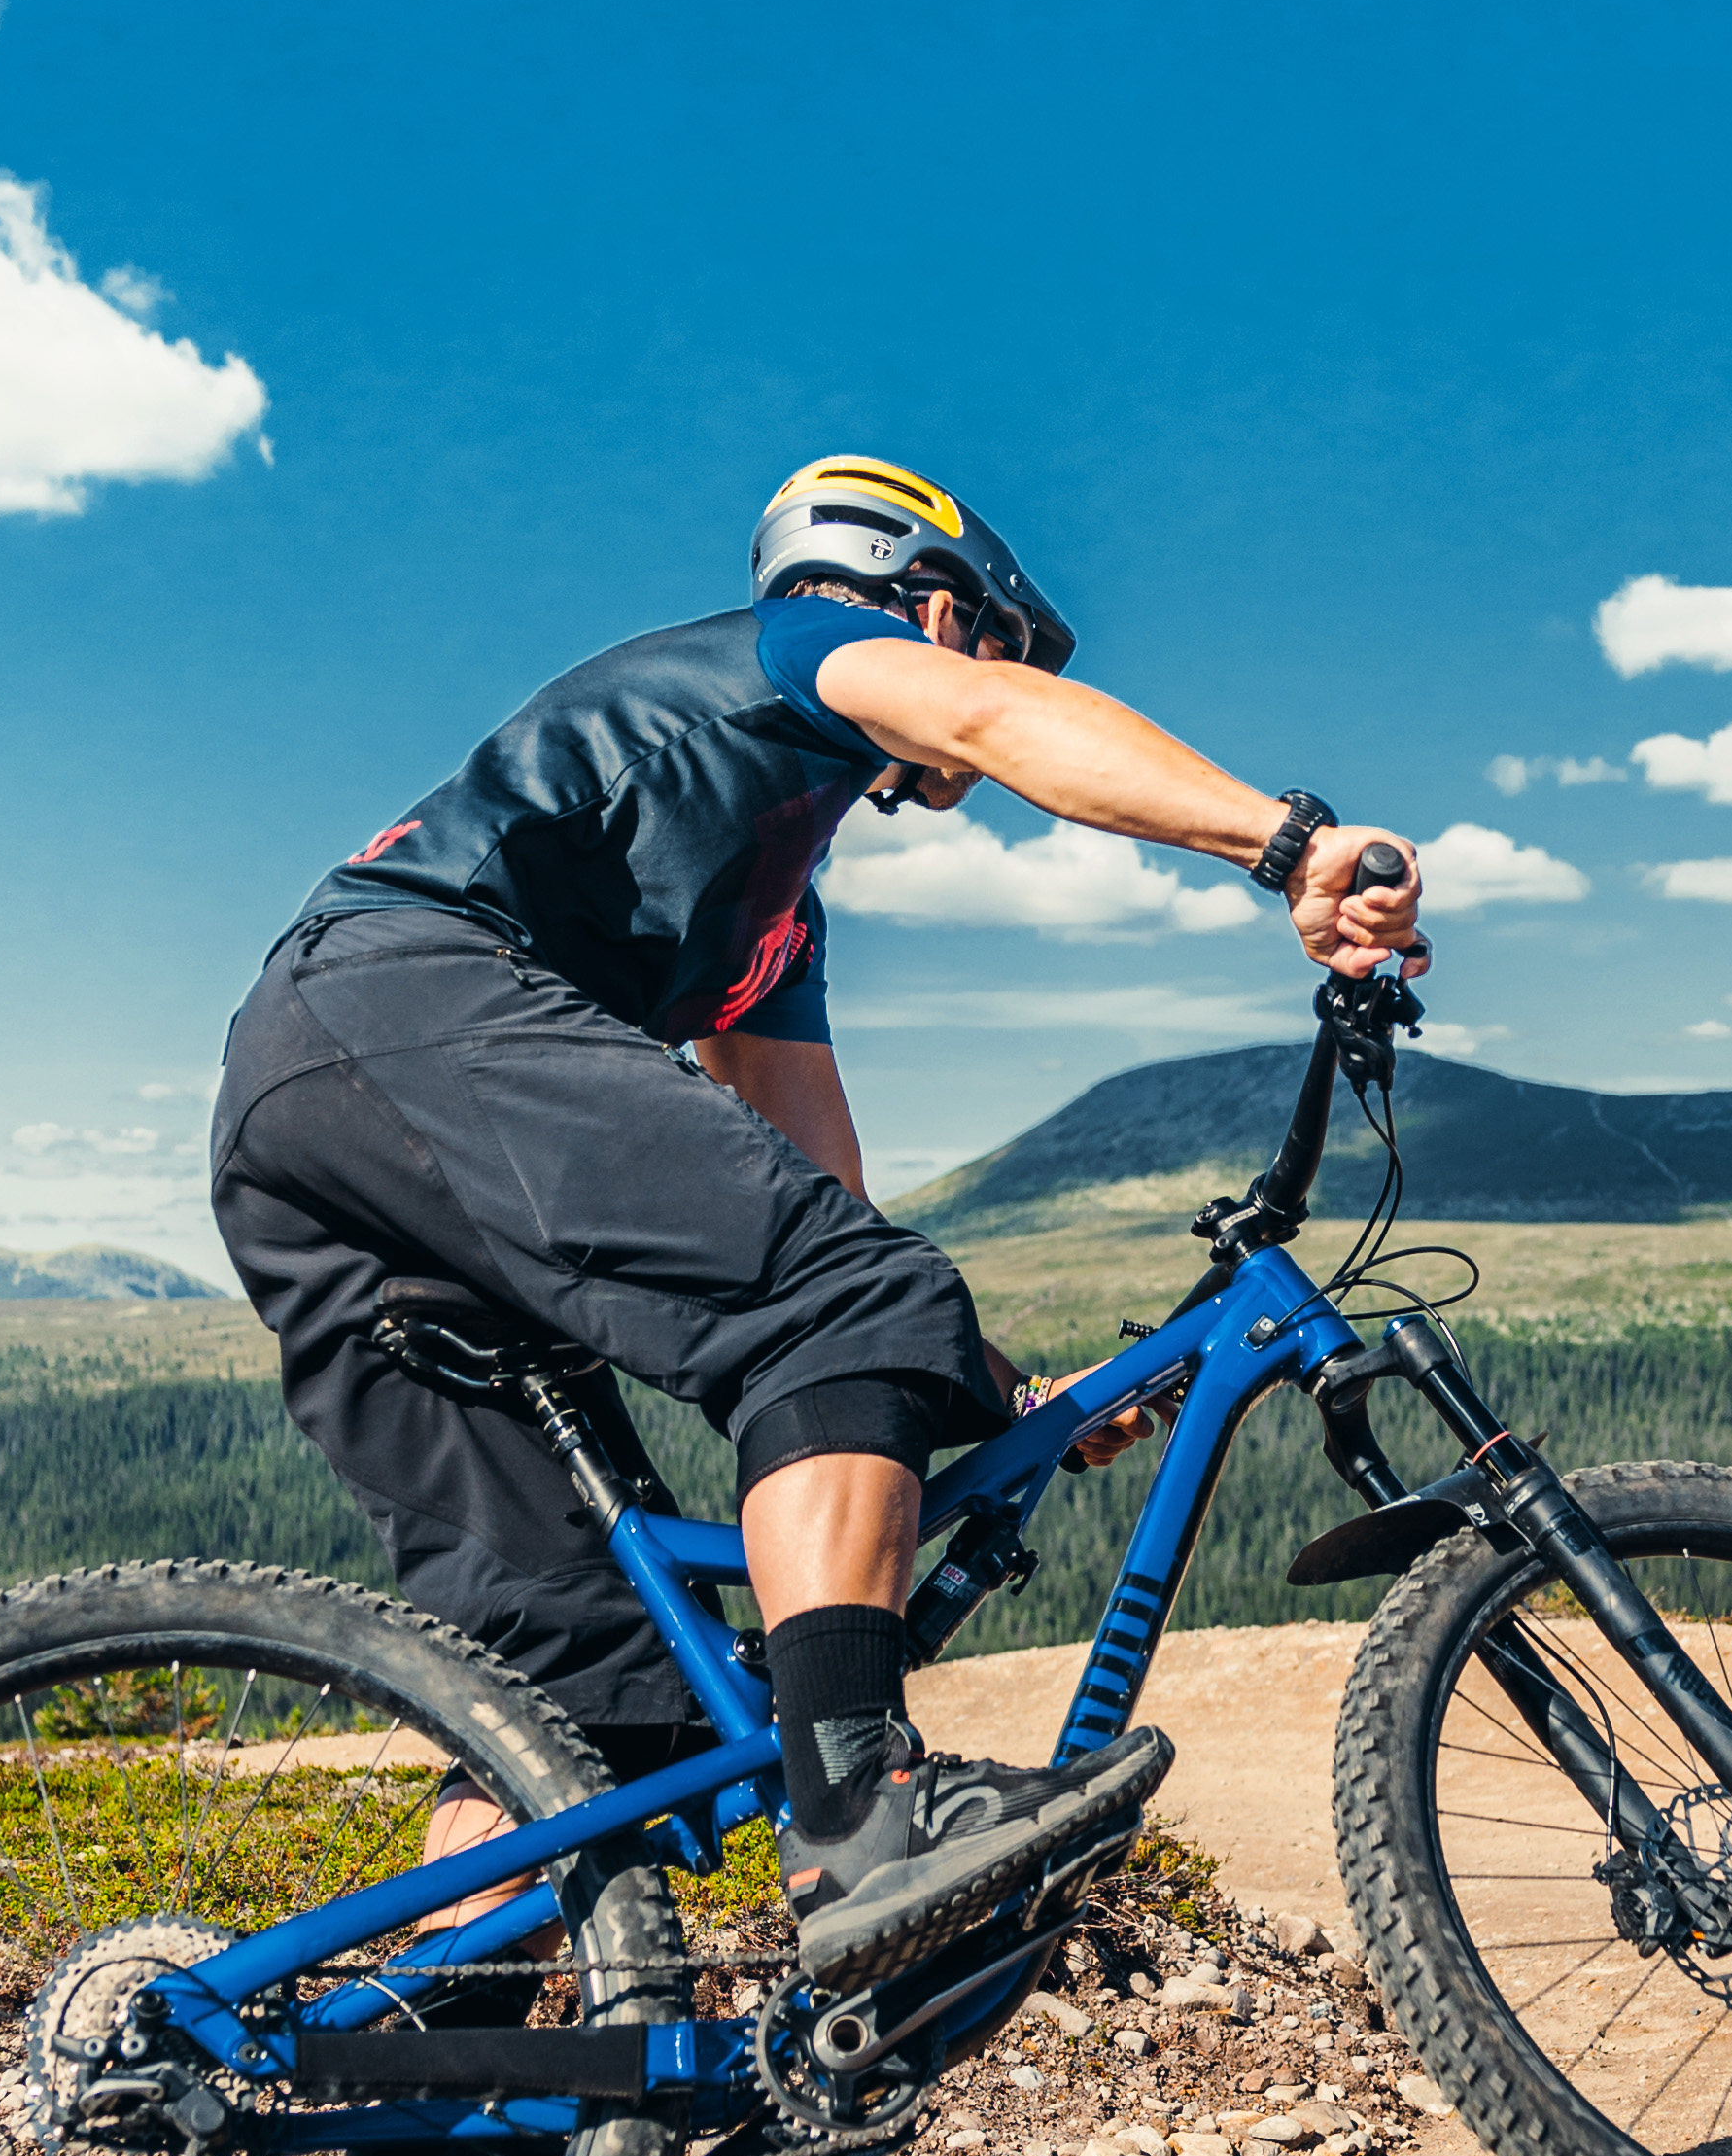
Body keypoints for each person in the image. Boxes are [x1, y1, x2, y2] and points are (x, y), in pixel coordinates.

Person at [211, 455, 1426, 2006]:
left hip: (316, 1115)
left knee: (583, 1688)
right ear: (928, 602)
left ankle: (437, 2089)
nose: (990, 676)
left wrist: (999, 1391)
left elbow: (813, 1203)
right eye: (992, 635)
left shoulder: (771, 914)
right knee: (853, 1309)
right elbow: (992, 718)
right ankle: (862, 1809)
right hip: (401, 1006)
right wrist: (1289, 840)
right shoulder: (798, 647)